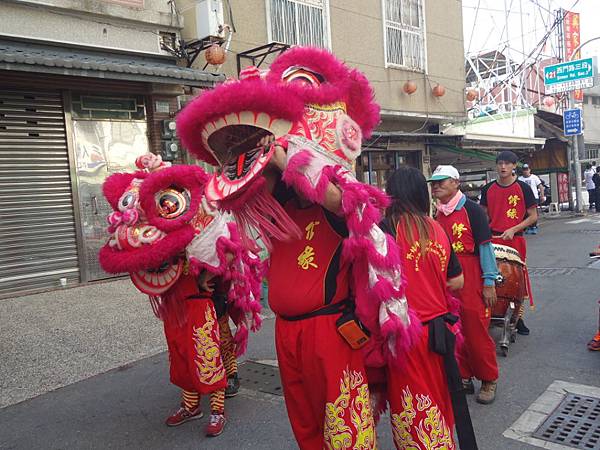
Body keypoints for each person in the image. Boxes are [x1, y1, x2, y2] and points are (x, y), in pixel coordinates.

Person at [264, 144, 376, 449]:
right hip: (285, 330)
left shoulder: (338, 209)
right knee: (303, 414)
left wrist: (286, 157)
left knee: (343, 415)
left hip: (327, 329)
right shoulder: (279, 207)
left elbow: (338, 201)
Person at [381, 167, 478, 450]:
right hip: (441, 334)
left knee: (413, 410)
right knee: (439, 403)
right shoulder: (437, 228)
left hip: (406, 335)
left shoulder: (387, 229)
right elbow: (457, 280)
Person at [430, 165, 500, 405]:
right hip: (449, 278)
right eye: (434, 183)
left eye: (441, 182)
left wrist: (489, 282)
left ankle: (489, 378)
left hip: (472, 274)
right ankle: (463, 375)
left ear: (456, 183)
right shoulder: (437, 213)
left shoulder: (472, 210)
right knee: (455, 330)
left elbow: (485, 247)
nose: (436, 186)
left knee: (476, 330)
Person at [480, 150, 538, 336]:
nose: (503, 167)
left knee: (516, 279)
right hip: (493, 239)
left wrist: (513, 229)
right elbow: (483, 216)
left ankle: (518, 317)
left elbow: (533, 216)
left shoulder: (523, 188)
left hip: (516, 240)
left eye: (507, 163)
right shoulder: (487, 189)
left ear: (514, 166)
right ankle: (492, 314)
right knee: (493, 278)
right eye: (500, 163)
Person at [518, 164, 544, 234]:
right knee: (525, 213)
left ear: (529, 170)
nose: (525, 171)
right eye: (524, 170)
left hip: (534, 197)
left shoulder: (534, 177)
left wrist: (542, 196)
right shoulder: (520, 179)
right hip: (523, 198)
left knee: (533, 213)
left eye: (527, 169)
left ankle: (534, 227)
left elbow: (541, 187)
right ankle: (528, 227)